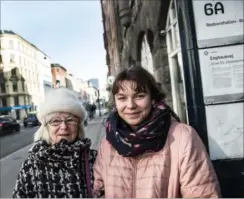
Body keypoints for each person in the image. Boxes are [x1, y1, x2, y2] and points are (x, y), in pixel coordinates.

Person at [93, 66, 221, 198]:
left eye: (139, 96)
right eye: (122, 98)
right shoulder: (108, 143)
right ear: (115, 101)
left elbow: (202, 194)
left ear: (153, 98)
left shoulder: (182, 137)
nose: (130, 105)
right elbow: (99, 190)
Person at [13, 87, 97, 198]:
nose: (63, 127)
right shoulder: (31, 166)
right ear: (46, 127)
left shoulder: (95, 160)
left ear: (79, 125)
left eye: (70, 120)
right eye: (55, 121)